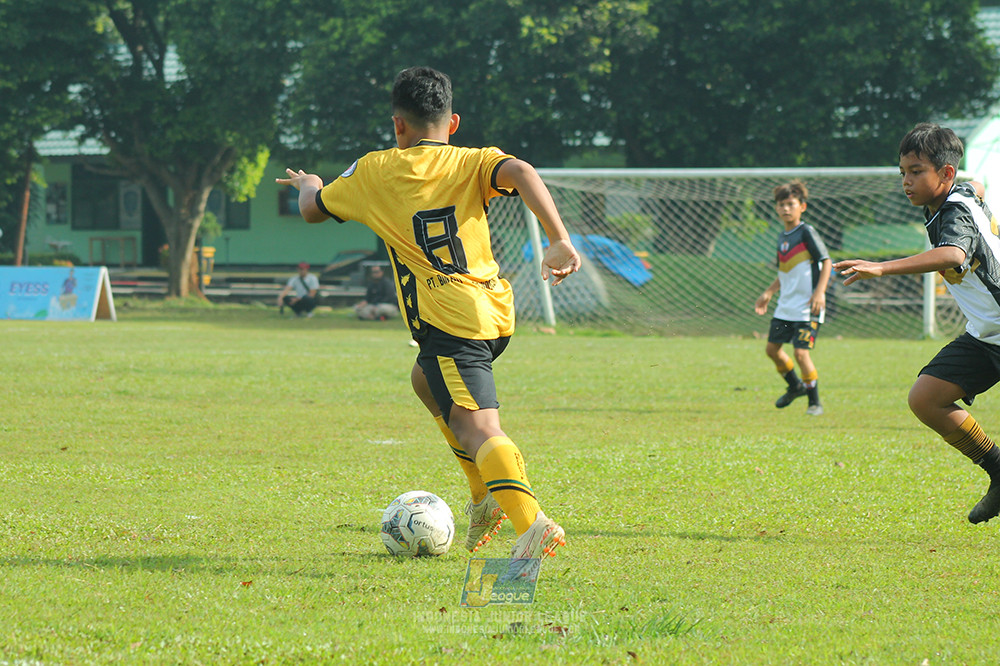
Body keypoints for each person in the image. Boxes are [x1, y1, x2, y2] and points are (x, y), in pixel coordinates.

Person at [277, 66, 581, 577]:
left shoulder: (374, 171)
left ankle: (531, 524)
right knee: (425, 380)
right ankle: (482, 497)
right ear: (453, 121)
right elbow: (524, 172)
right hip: (494, 312)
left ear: (398, 126)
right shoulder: (474, 161)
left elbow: (312, 210)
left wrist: (311, 183)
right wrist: (558, 239)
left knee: (475, 424)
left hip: (449, 322)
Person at [835, 122, 1000, 525]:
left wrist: (881, 268)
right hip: (988, 334)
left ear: (945, 174)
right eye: (903, 172)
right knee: (926, 399)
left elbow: (952, 256)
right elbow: (975, 185)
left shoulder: (954, 214)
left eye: (916, 171)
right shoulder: (958, 194)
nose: (906, 181)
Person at [754, 179, 831, 415]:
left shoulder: (806, 232)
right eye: (781, 205)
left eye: (790, 204)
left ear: (802, 207)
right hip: (786, 306)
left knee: (800, 352)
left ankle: (814, 402)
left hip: (808, 306)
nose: (786, 208)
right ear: (776, 209)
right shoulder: (781, 237)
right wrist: (769, 292)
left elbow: (826, 261)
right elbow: (784, 272)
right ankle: (795, 386)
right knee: (772, 350)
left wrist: (820, 292)